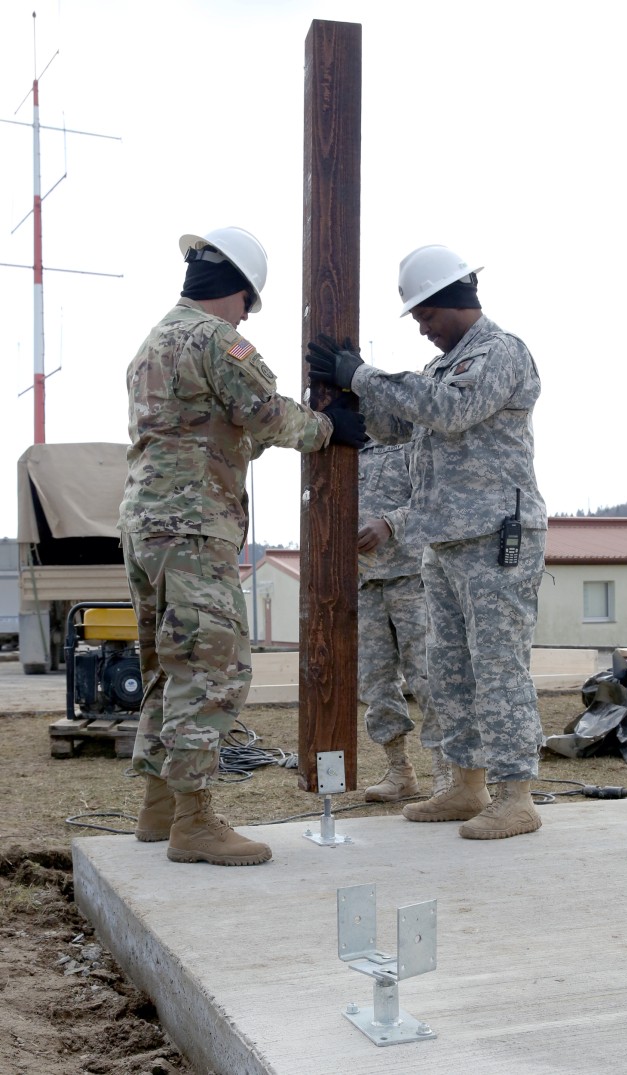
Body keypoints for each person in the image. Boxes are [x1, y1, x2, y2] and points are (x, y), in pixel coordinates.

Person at [118, 225, 366, 867]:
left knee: (166, 664)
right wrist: (329, 428)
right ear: (241, 294)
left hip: (144, 523)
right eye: (248, 305)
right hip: (195, 522)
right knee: (212, 666)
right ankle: (195, 823)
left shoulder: (152, 343)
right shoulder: (216, 340)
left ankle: (159, 809)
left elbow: (207, 429)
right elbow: (264, 414)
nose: (245, 315)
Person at [307, 243, 548, 840]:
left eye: (426, 316)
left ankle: (516, 794)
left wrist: (363, 375)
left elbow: (448, 411)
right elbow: (402, 429)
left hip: (495, 536)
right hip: (441, 541)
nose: (422, 328)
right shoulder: (445, 365)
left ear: (454, 301)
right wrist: (354, 396)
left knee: (497, 666)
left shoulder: (498, 352)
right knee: (449, 669)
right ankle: (465, 785)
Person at [357, 436, 449, 802]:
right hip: (364, 581)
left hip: (412, 577)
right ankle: (400, 771)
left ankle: (446, 771)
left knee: (427, 677)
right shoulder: (349, 450)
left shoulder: (414, 443)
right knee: (375, 681)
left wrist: (390, 523)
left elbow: (433, 499)